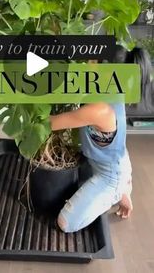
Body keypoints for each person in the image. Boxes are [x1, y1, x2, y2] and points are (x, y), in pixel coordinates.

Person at [50, 46, 153, 233]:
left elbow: (50, 123)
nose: (86, 62)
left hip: (110, 174)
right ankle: (120, 188)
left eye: (92, 61)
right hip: (113, 160)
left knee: (65, 223)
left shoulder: (99, 109)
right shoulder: (110, 88)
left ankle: (117, 194)